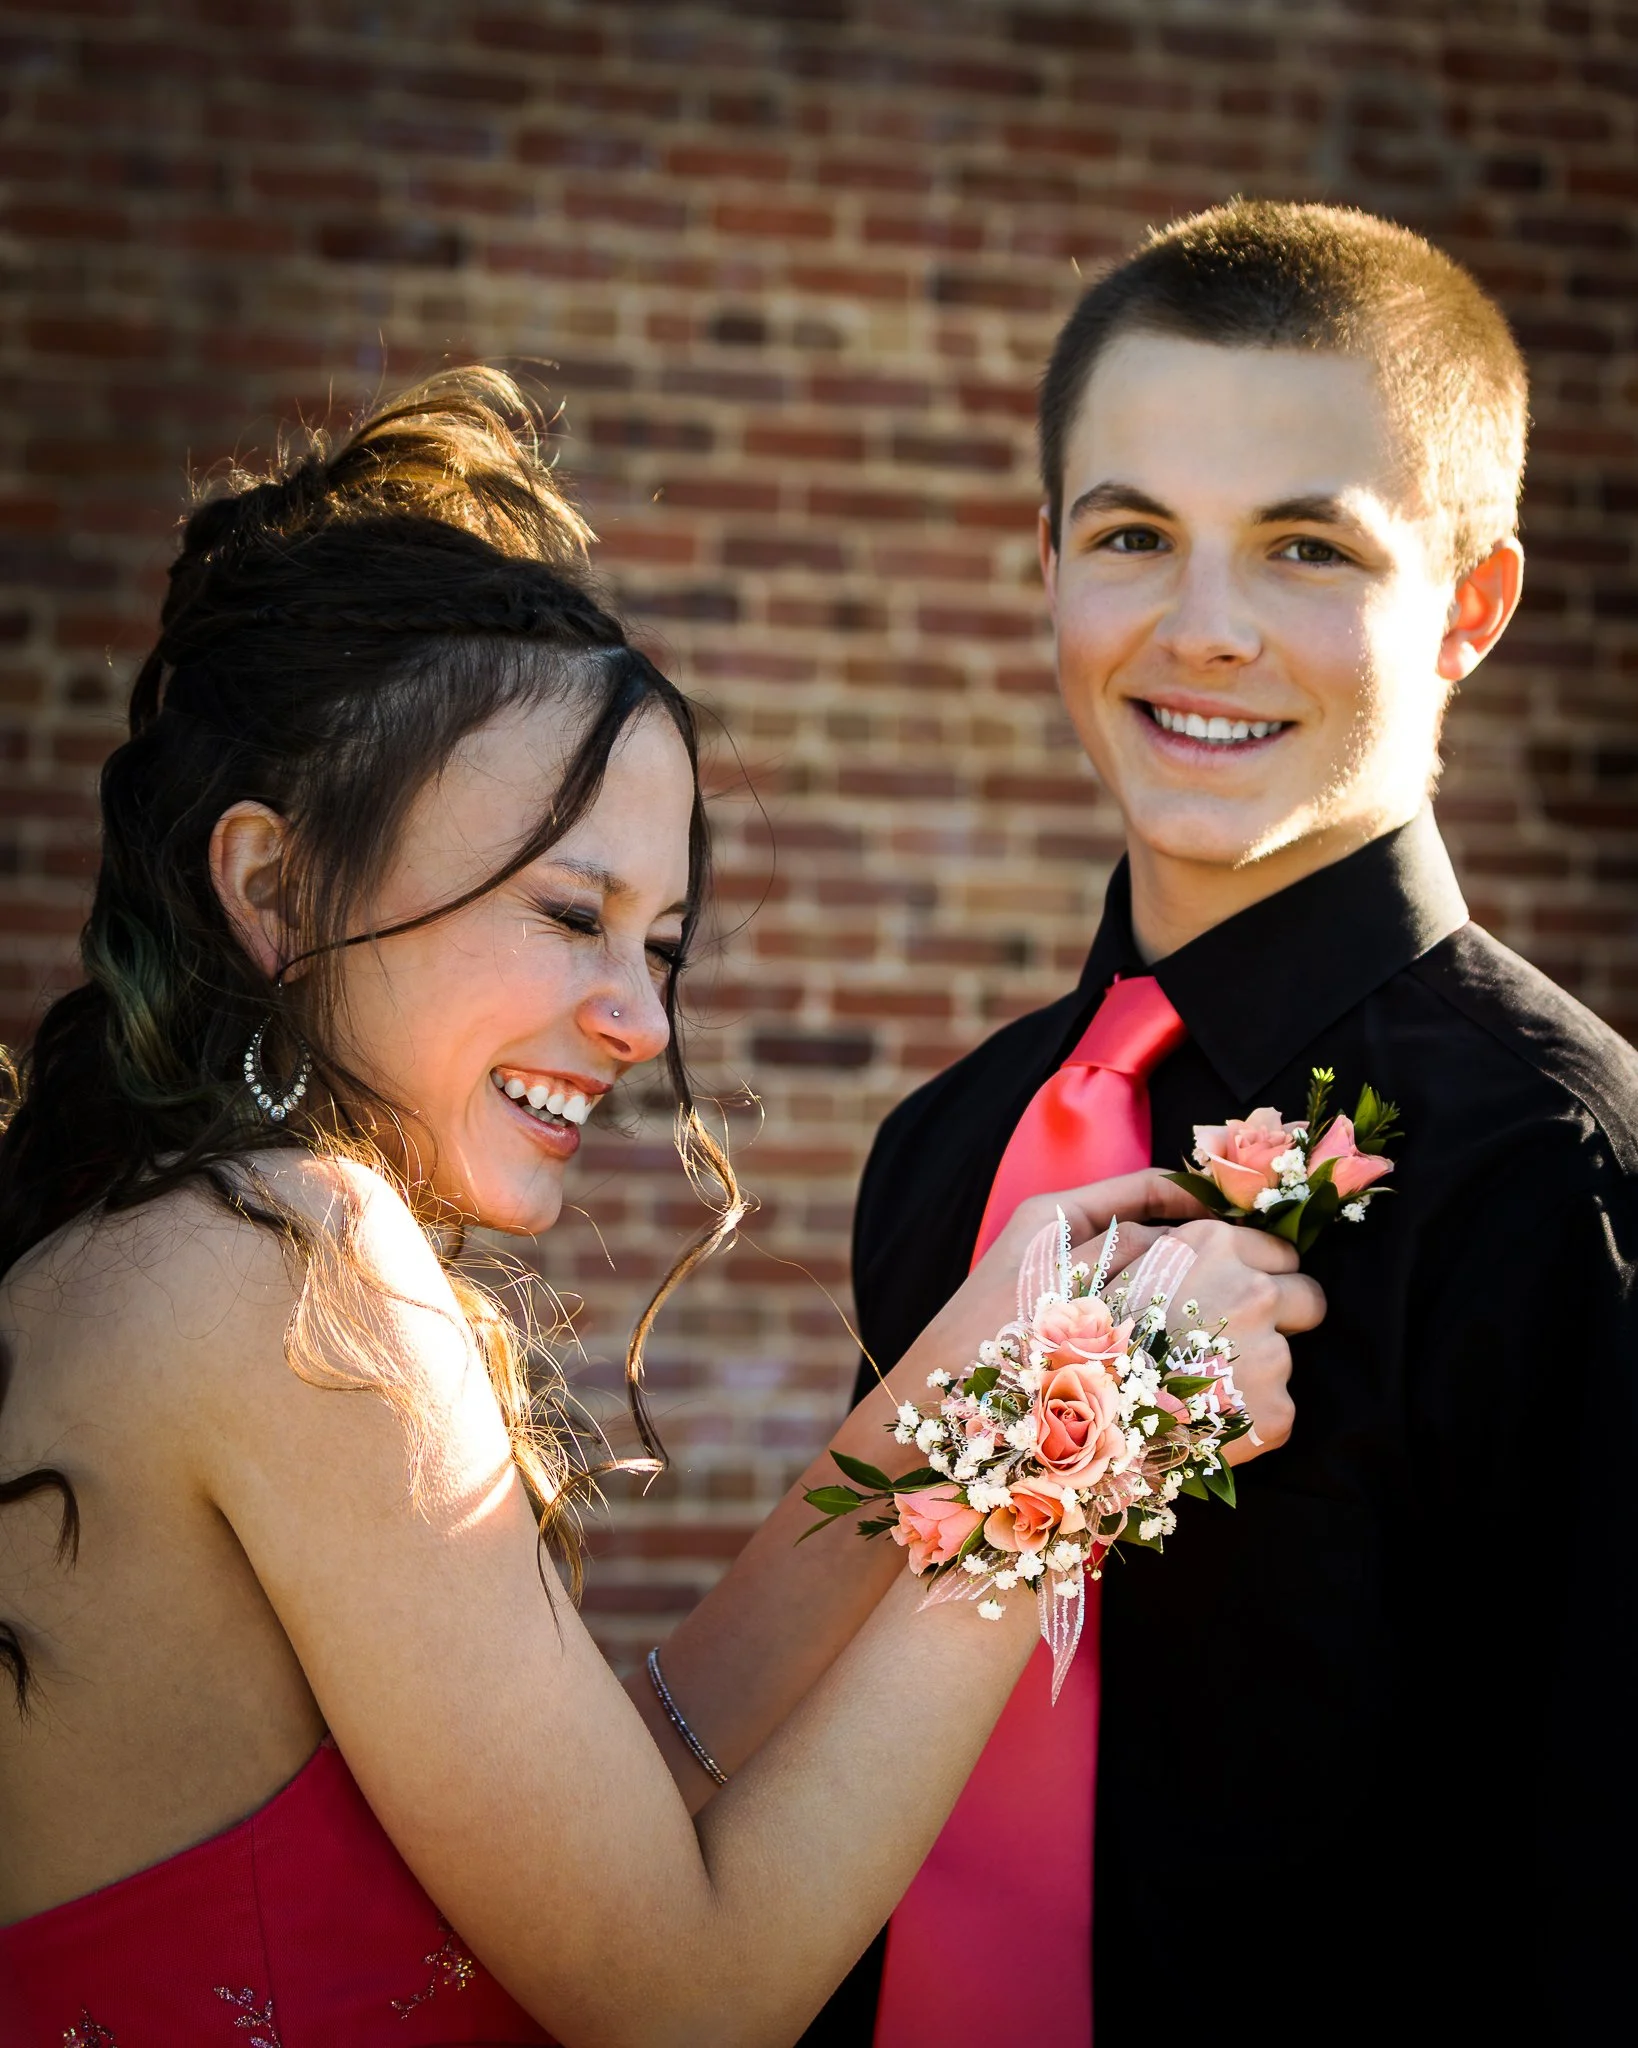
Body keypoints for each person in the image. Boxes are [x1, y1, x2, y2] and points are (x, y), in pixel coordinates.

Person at [0, 369, 1317, 2047]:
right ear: (270, 886)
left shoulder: (143, 1247)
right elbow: (690, 2000)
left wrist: (969, 1378)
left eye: (663, 945)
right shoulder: (291, 1261)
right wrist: (1093, 1432)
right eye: (568, 914)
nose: (640, 1021)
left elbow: (645, 1771)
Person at [811, 200, 1638, 2045]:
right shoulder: (944, 1151)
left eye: (1301, 550)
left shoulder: (1556, 1169)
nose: (1201, 630)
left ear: (1471, 609)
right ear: (1045, 564)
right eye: (1132, 536)